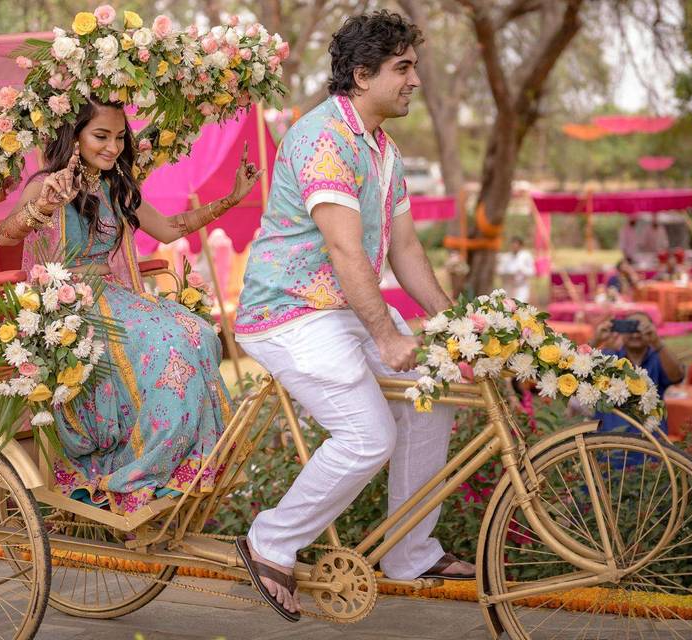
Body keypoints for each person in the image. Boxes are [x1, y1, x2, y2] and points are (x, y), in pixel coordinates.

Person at [232, 11, 473, 621]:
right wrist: (389, 335)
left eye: (413, 66)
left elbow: (407, 249)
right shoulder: (323, 138)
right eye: (403, 68)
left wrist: (455, 328)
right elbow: (344, 250)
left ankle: (408, 550)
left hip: (334, 314)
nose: (415, 80)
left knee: (430, 391)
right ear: (362, 75)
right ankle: (271, 542)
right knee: (369, 436)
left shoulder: (382, 149)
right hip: (287, 315)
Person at [0, 96, 261, 514]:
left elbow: (172, 228)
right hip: (69, 304)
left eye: (120, 138)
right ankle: (144, 468)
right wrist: (43, 205)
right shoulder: (47, 184)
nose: (113, 147)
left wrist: (230, 199)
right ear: (74, 136)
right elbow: (5, 236)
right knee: (167, 341)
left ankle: (191, 461)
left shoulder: (111, 185)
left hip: (113, 296)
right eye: (101, 136)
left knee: (196, 331)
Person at [592, 312, 684, 433]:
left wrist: (657, 343)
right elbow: (576, 372)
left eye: (641, 329)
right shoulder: (608, 357)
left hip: (651, 439)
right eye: (630, 328)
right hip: (610, 439)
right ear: (621, 331)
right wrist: (596, 341)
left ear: (652, 331)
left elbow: (677, 376)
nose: (635, 334)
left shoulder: (660, 357)